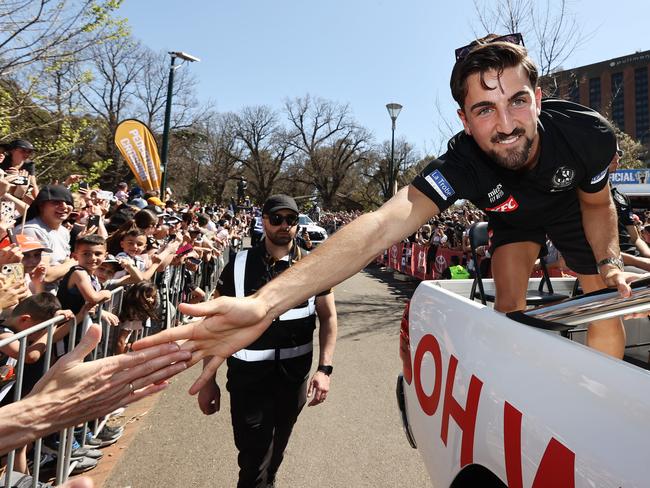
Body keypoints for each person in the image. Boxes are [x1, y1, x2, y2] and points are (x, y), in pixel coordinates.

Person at [133, 33, 643, 396]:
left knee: (601, 294)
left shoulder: (586, 133)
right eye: (485, 109)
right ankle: (514, 390)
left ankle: (602, 400)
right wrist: (266, 302)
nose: (506, 123)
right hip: (512, 216)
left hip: (574, 204)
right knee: (509, 305)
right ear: (463, 121)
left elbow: (598, 204)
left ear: (538, 99)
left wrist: (610, 259)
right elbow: (382, 224)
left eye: (517, 101)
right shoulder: (460, 162)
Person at [198, 194, 337, 488]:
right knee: (253, 456)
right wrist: (207, 378)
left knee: (275, 449)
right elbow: (213, 327)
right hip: (248, 381)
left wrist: (325, 370)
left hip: (293, 377)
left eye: (290, 220)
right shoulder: (237, 263)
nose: (284, 225)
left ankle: (268, 479)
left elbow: (328, 317)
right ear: (263, 222)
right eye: (277, 219)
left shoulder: (314, 265)